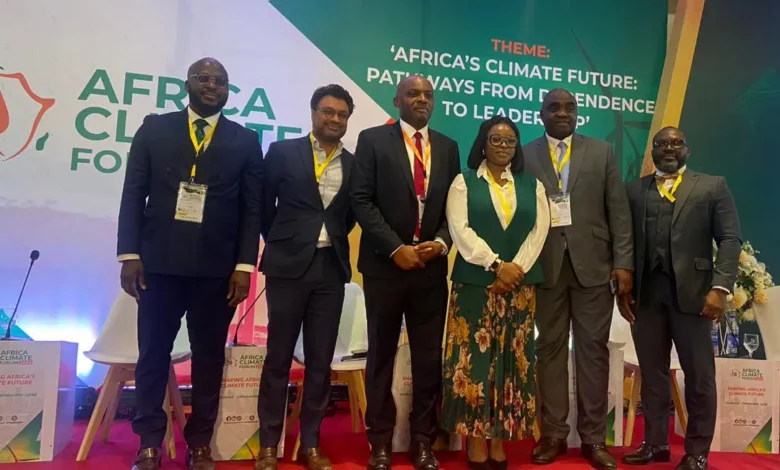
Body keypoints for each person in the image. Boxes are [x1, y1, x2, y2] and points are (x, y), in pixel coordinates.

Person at [117, 58, 263, 470]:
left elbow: (252, 209)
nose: (212, 86)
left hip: (217, 271)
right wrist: (129, 254)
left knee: (209, 358)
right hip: (158, 265)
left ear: (228, 90)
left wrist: (244, 266)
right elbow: (133, 193)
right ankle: (149, 442)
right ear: (187, 84)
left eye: (220, 81)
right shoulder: (154, 129)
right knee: (152, 355)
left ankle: (199, 443)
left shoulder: (245, 140)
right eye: (204, 78)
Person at [350, 74, 461, 470]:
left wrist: (442, 243)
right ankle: (380, 441)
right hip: (385, 267)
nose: (422, 100)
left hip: (429, 270)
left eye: (428, 95)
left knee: (429, 359)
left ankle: (423, 442)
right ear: (397, 100)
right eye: (413, 94)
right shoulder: (372, 140)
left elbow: (455, 207)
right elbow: (361, 200)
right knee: (380, 355)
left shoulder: (448, 147)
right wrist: (396, 248)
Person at [522, 88, 633, 470]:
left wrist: (624, 263)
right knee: (548, 350)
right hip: (545, 268)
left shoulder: (602, 152)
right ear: (541, 114)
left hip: (595, 267)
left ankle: (593, 438)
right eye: (554, 107)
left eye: (570, 108)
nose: (563, 113)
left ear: (577, 114)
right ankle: (553, 435)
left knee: (592, 352)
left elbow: (618, 211)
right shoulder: (525, 155)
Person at [619, 127, 741, 470]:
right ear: (652, 151)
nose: (669, 148)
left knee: (699, 377)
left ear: (687, 149)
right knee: (652, 374)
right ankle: (655, 443)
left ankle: (697, 452)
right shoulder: (634, 190)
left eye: (676, 143)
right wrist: (622, 288)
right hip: (645, 295)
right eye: (662, 144)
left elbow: (730, 240)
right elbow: (623, 240)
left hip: (695, 295)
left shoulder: (712, 186)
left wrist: (720, 288)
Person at [255, 85, 357, 470]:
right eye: (328, 112)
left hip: (330, 269)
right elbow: (263, 206)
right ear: (313, 113)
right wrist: (285, 240)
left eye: (342, 115)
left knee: (320, 361)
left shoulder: (354, 164)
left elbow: (348, 217)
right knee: (278, 357)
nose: (334, 119)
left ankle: (311, 443)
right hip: (286, 267)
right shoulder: (282, 152)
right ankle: (269, 443)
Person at [441, 116, 549, 470]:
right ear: (483, 144)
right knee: (474, 363)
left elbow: (539, 230)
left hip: (518, 287)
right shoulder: (464, 182)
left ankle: (500, 440)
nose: (503, 146)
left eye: (510, 141)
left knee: (511, 364)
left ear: (517, 147)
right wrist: (495, 265)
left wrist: (514, 269)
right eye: (495, 139)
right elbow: (460, 229)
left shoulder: (532, 185)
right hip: (475, 285)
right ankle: (475, 441)